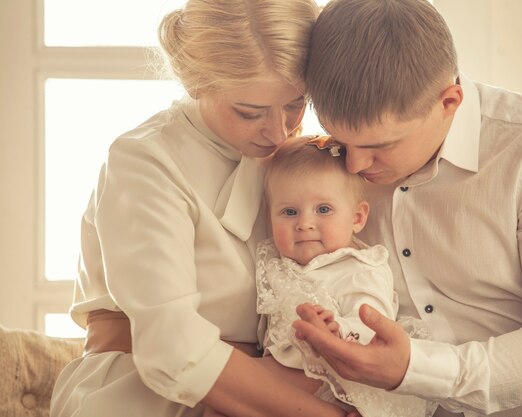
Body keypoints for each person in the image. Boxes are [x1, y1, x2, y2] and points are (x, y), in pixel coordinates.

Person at [292, 0, 522, 416]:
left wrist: (415, 368)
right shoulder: (322, 168)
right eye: (340, 140)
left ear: (449, 101)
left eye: (381, 146)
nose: (355, 166)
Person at [50, 1, 354, 416]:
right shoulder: (144, 161)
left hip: (269, 388)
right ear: (195, 82)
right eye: (250, 112)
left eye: (296, 104)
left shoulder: (299, 155)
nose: (279, 130)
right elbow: (173, 351)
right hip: (143, 394)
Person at [255, 136, 431, 417]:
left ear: (357, 218)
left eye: (323, 210)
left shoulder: (357, 269)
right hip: (290, 370)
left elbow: (374, 329)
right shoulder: (277, 260)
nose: (304, 224)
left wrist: (335, 328)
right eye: (289, 212)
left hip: (336, 379)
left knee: (231, 388)